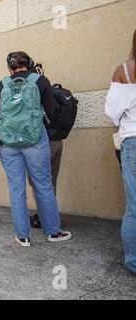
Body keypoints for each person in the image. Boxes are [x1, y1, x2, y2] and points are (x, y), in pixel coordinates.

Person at [0, 51, 71, 247]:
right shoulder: (41, 81)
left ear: (9, 68)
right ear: (29, 64)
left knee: (16, 188)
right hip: (35, 140)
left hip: (9, 143)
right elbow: (52, 113)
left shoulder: (1, 84)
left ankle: (23, 236)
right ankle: (53, 232)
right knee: (43, 186)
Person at [105, 28, 136, 274]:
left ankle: (134, 260)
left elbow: (113, 113)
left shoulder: (126, 71)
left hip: (133, 140)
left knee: (134, 206)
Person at [27, 63, 64, 229]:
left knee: (39, 184)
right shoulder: (46, 87)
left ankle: (46, 219)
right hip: (57, 140)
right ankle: (51, 215)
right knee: (50, 182)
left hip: (42, 143)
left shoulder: (30, 91)